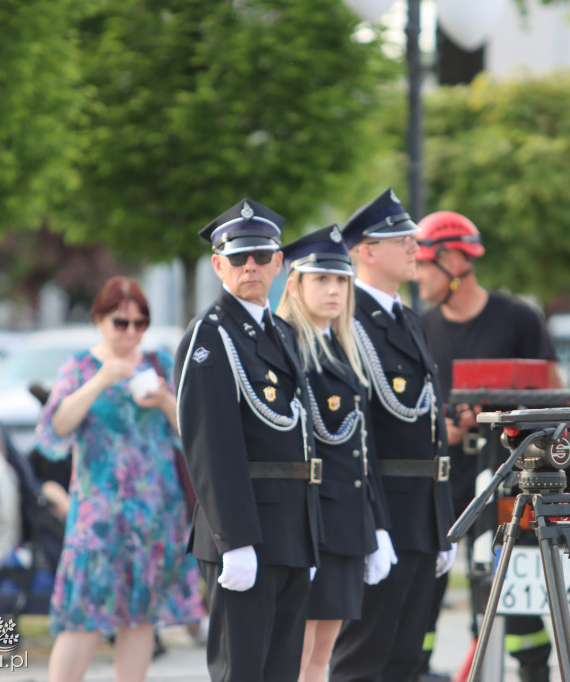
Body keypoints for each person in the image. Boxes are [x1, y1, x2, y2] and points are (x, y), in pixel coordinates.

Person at [175, 199, 321, 682]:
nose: (251, 266)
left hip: (291, 532)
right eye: (238, 258)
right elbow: (208, 445)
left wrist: (310, 535)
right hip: (245, 530)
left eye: (261, 255)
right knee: (242, 672)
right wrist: (234, 540)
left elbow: (300, 436)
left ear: (279, 263)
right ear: (219, 266)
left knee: (281, 671)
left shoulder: (280, 331)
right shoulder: (210, 336)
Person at [414, 210, 560, 682]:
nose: (414, 276)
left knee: (507, 582)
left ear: (454, 260)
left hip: (505, 478)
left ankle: (532, 670)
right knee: (423, 587)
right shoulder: (419, 327)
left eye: (421, 264)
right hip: (442, 479)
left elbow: (551, 397)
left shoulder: (518, 319)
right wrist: (442, 427)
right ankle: (415, 669)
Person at [34, 276, 203, 682]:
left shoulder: (159, 363)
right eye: (120, 322)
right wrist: (99, 382)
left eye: (139, 322)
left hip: (154, 513)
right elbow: (55, 428)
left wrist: (164, 401)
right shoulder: (80, 366)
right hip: (99, 512)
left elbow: (194, 432)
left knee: (140, 615)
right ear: (99, 320)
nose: (130, 331)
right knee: (83, 614)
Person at [329, 189, 456, 682]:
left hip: (421, 510)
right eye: (399, 239)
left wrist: (441, 518)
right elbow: (355, 437)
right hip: (384, 509)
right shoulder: (347, 321)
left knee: (405, 658)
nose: (413, 248)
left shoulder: (409, 320)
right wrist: (372, 525)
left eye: (413, 239)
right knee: (364, 656)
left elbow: (429, 425)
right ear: (365, 251)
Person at [275, 226, 395, 682]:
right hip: (312, 525)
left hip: (346, 523)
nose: (333, 290)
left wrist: (376, 524)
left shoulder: (343, 350)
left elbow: (362, 449)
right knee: (296, 655)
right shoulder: (287, 345)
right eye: (320, 279)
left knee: (321, 657)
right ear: (295, 284)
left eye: (341, 280)